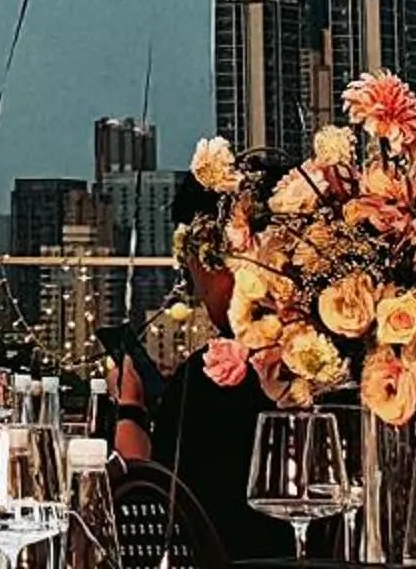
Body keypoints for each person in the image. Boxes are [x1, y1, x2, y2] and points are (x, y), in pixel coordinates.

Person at [144, 167, 296, 562]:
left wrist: (129, 406)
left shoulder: (213, 378)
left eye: (192, 265)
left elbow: (155, 517)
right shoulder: (350, 364)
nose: (194, 288)